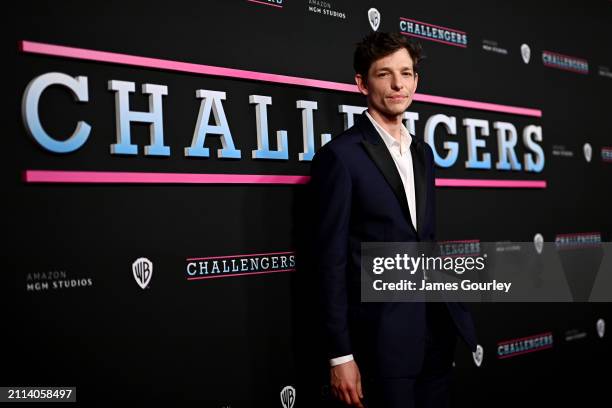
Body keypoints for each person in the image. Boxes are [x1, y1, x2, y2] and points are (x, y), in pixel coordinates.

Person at [310, 32, 478, 408]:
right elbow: (330, 262)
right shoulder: (340, 157)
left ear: (416, 80)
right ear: (361, 82)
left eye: (406, 72)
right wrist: (341, 355)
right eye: (384, 74)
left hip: (435, 332)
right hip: (381, 340)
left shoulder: (424, 153)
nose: (398, 83)